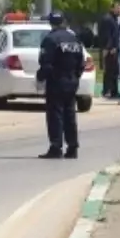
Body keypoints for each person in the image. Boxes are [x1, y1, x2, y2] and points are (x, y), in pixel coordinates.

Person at [37, 11, 86, 159]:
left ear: (51, 23)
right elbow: (81, 63)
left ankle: (56, 147)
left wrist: (41, 77)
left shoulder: (50, 40)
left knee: (55, 114)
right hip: (71, 81)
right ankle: (72, 147)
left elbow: (45, 63)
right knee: (70, 114)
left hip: (57, 81)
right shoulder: (74, 39)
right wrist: (75, 76)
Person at [96, 2, 120, 99]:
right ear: (111, 8)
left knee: (114, 71)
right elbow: (107, 36)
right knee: (109, 71)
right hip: (109, 50)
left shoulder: (113, 19)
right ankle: (106, 90)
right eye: (117, 8)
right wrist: (109, 48)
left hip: (113, 49)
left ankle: (114, 91)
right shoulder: (107, 19)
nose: (119, 10)